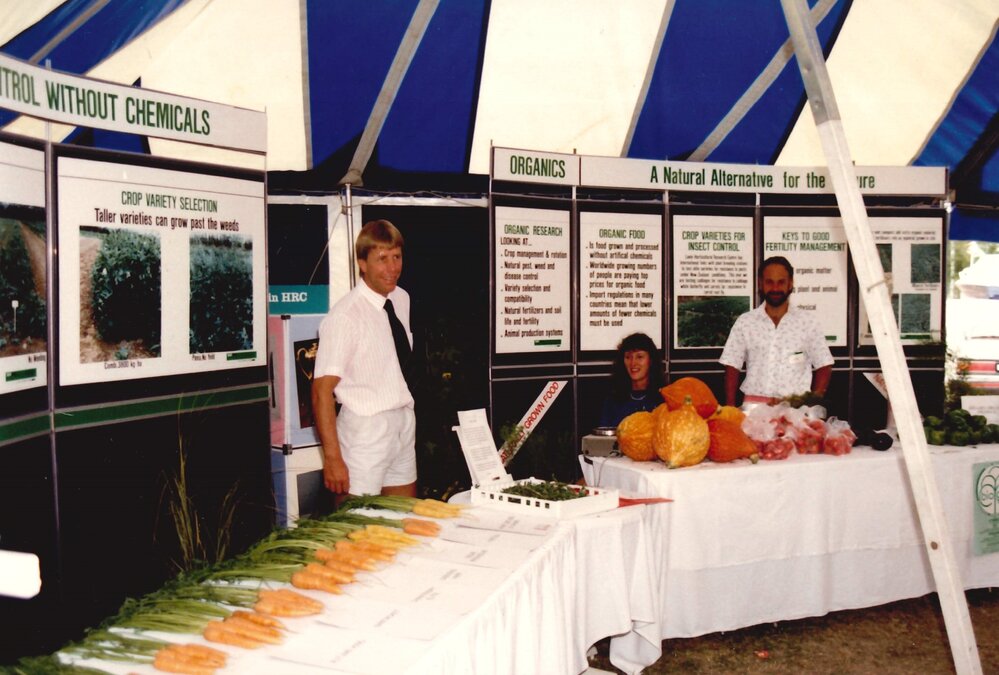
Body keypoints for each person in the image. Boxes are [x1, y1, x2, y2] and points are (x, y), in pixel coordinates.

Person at [311, 219, 417, 504]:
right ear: (362, 263)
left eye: (397, 257)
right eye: (382, 259)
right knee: (355, 529)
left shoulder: (401, 299)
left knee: (402, 521)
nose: (392, 267)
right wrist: (333, 459)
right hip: (365, 432)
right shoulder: (345, 316)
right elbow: (321, 392)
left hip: (403, 422)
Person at [720, 256, 834, 407]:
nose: (775, 288)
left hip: (795, 411)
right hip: (754, 410)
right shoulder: (745, 322)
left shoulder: (808, 323)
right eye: (769, 282)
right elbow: (731, 365)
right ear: (760, 284)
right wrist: (730, 409)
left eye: (781, 282)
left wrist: (811, 404)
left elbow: (824, 365)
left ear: (790, 284)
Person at [598, 332, 666, 427]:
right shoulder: (612, 399)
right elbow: (603, 439)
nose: (633, 363)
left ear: (651, 360)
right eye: (628, 357)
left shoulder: (665, 398)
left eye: (639, 357)